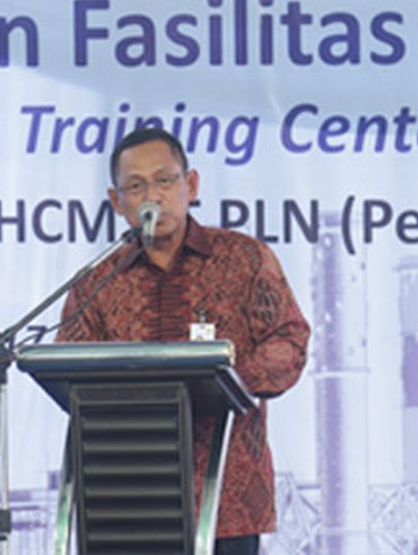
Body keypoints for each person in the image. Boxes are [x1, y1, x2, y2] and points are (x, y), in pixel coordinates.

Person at [56, 127, 311, 555]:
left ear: (190, 185)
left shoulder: (244, 259)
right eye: (136, 187)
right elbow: (70, 367)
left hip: (226, 497)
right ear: (117, 202)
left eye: (164, 180)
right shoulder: (98, 282)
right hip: (127, 500)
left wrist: (225, 383)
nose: (152, 196)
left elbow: (290, 340)